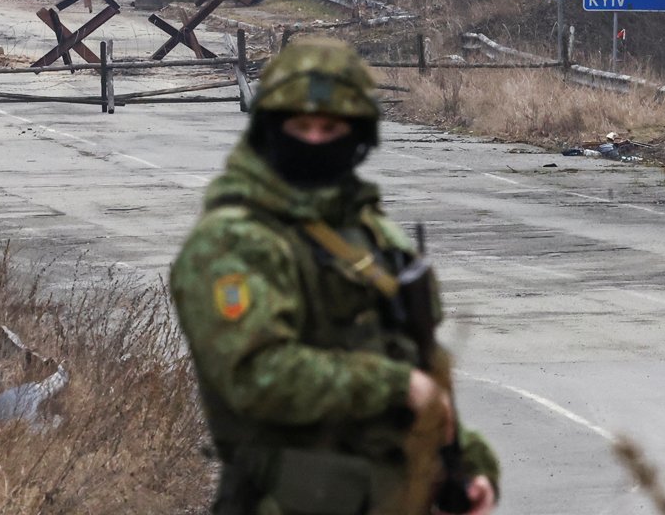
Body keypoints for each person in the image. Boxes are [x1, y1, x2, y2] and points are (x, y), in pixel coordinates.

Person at [171, 37, 500, 515]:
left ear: (359, 134)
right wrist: (395, 387)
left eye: (332, 127)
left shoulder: (372, 234)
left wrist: (466, 467)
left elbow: (416, 362)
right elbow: (256, 376)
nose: (316, 140)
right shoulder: (235, 242)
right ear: (270, 130)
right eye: (301, 126)